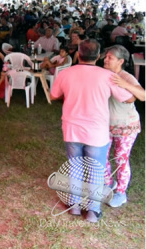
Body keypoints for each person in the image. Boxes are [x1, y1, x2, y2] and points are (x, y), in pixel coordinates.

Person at [50, 39, 133, 223]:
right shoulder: (106, 76)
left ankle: (74, 206)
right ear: (98, 56)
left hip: (72, 128)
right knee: (96, 170)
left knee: (75, 167)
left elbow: (53, 95)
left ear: (78, 54)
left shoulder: (66, 73)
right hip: (97, 131)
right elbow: (127, 99)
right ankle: (93, 212)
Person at [102, 45, 144, 208]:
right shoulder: (104, 74)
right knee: (102, 156)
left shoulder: (126, 76)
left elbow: (142, 96)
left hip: (126, 125)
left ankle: (121, 192)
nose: (105, 59)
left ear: (120, 61)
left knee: (121, 159)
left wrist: (124, 84)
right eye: (106, 56)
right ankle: (108, 183)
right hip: (106, 124)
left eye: (110, 57)